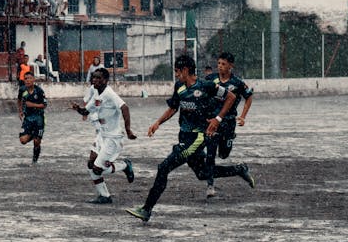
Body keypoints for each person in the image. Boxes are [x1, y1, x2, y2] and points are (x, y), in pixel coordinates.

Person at [125, 55, 255, 223]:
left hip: (197, 138)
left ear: (185, 70)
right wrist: (158, 122)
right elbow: (173, 108)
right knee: (202, 173)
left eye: (177, 71)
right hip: (184, 136)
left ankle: (146, 209)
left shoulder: (207, 86)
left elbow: (230, 97)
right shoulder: (179, 87)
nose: (176, 75)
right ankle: (239, 169)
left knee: (164, 167)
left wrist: (218, 119)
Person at [71, 67, 136, 204]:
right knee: (91, 164)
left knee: (97, 169)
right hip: (102, 135)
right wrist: (78, 109)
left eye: (99, 78)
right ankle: (104, 196)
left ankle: (124, 166)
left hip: (113, 137)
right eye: (94, 77)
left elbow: (125, 107)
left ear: (106, 80)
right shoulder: (96, 93)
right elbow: (85, 112)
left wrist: (128, 130)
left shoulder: (110, 94)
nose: (95, 80)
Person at [204, 52, 255, 198]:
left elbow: (249, 97)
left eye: (223, 64)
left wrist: (243, 116)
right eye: (219, 63)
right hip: (212, 122)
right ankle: (210, 185)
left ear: (231, 66)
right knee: (210, 153)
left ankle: (239, 166)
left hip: (228, 123)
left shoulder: (237, 83)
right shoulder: (211, 79)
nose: (220, 66)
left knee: (224, 155)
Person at [17, 71, 47, 164]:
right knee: (23, 140)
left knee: (37, 143)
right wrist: (20, 110)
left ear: (33, 79)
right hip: (28, 118)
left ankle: (34, 161)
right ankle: (34, 135)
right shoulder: (22, 90)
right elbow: (19, 100)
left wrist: (32, 104)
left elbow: (44, 105)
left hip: (39, 118)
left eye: (29, 78)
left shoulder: (39, 91)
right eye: (26, 79)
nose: (27, 80)